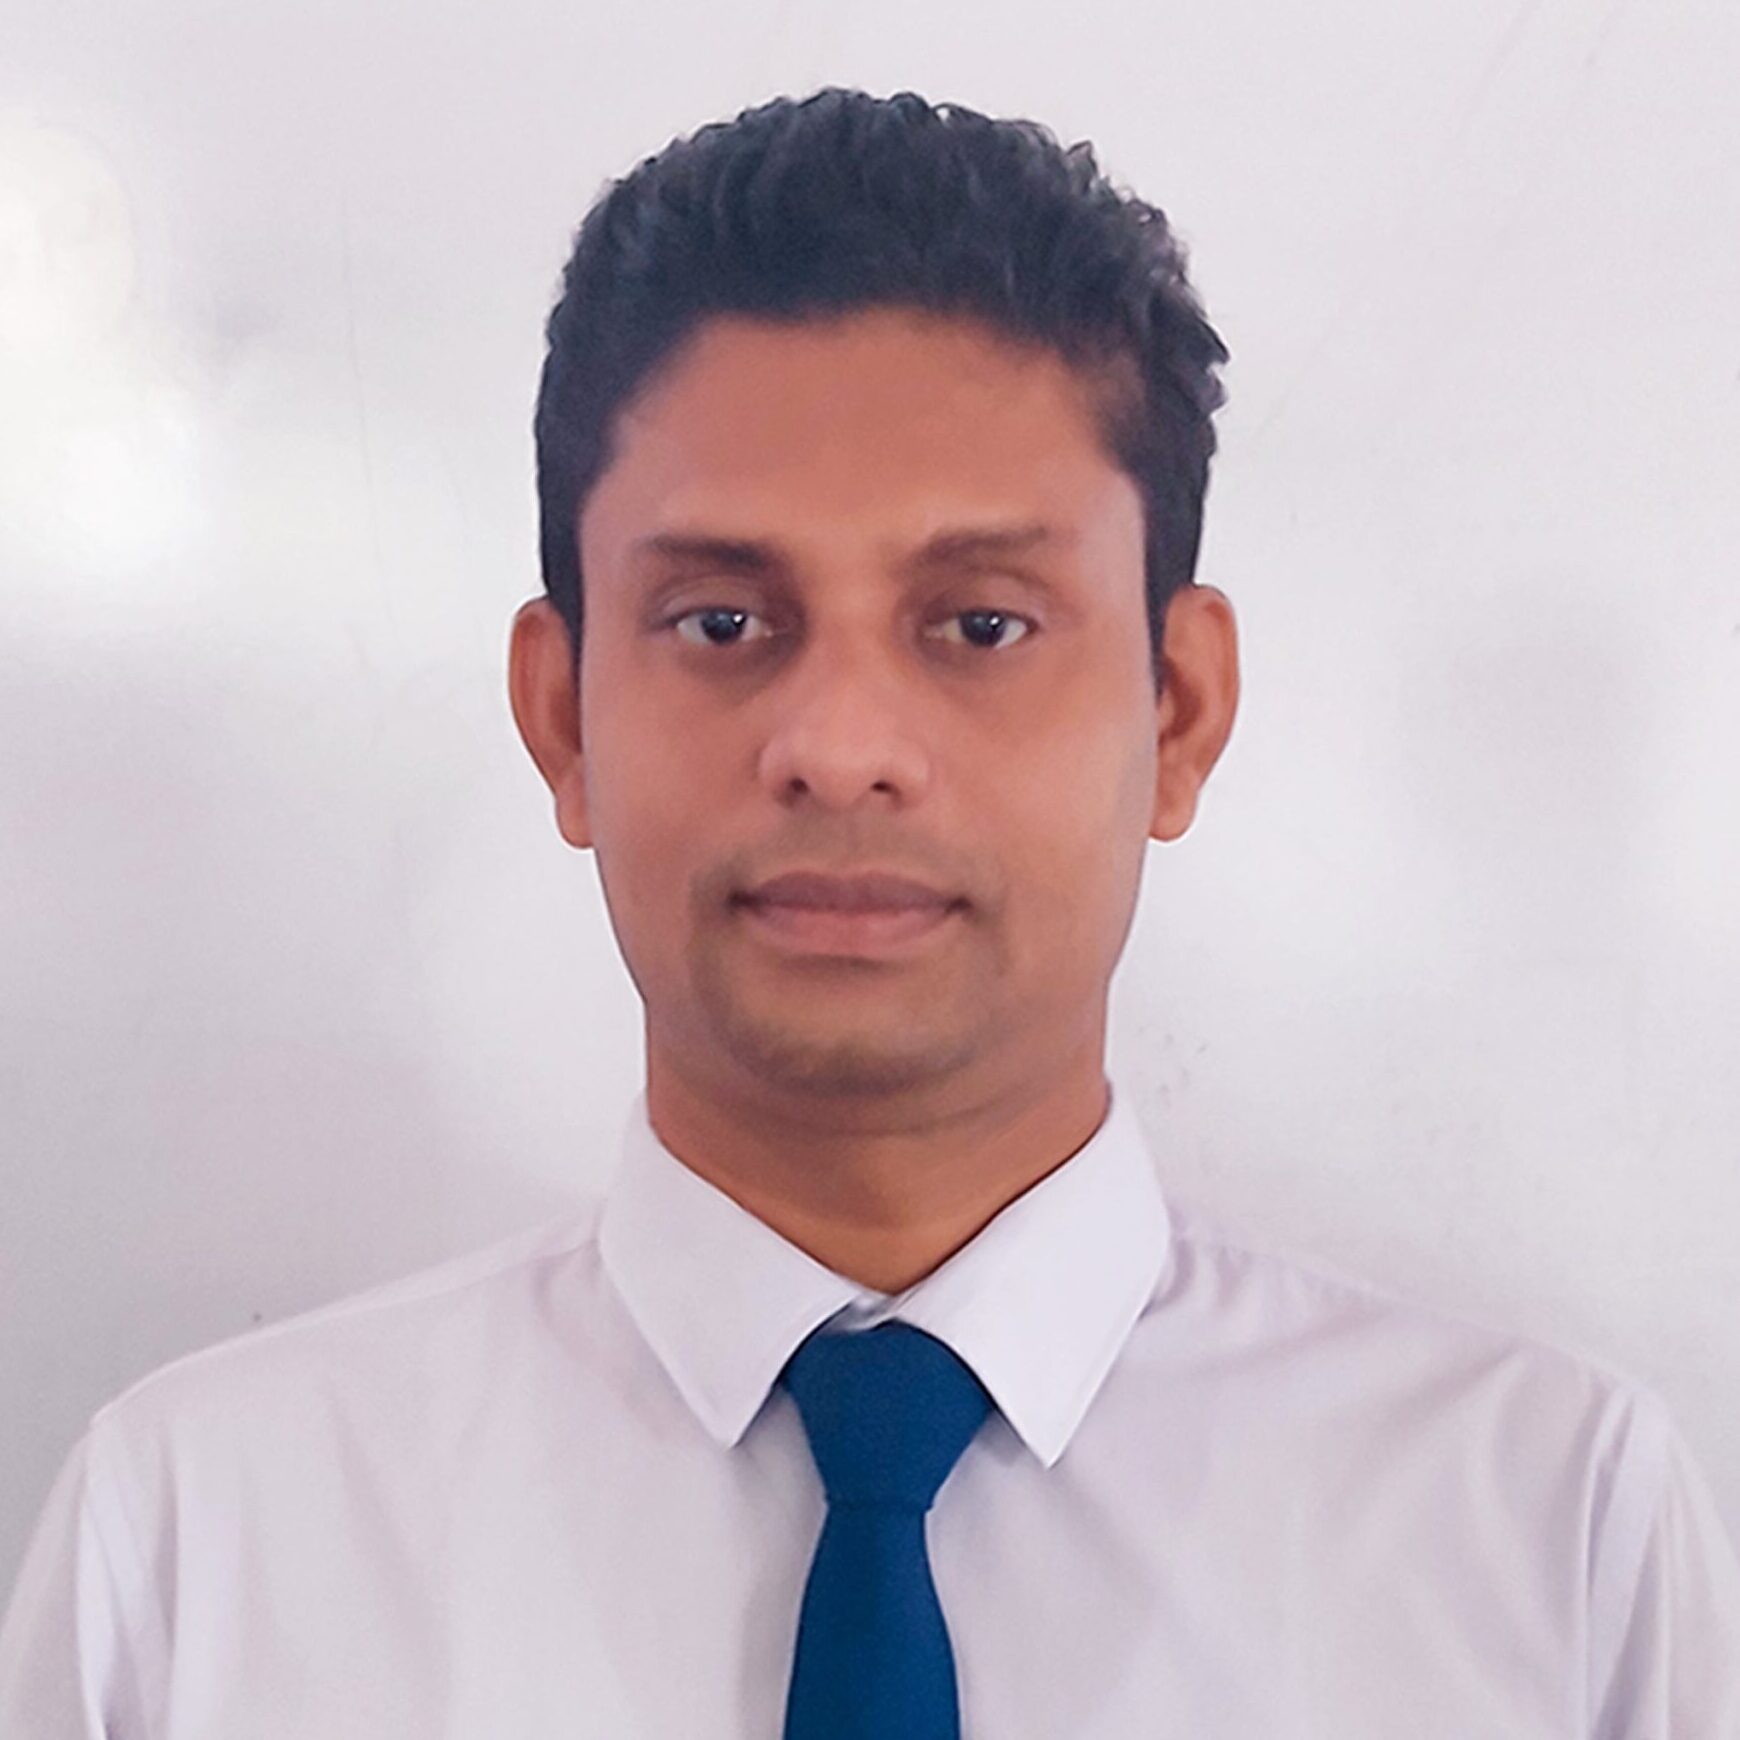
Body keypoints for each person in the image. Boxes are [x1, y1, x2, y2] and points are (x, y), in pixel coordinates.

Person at [3, 84, 1737, 1740]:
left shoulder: (1547, 1541)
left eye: (980, 625)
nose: (837, 749)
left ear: (1179, 712)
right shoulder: (199, 1552)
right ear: (562, 718)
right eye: (722, 623)